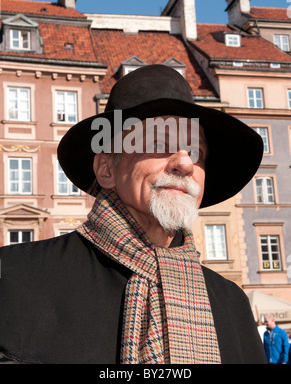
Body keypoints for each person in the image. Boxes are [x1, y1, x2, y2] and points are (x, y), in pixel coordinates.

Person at [0, 64, 267, 364]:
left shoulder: (231, 303)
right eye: (158, 144)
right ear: (106, 168)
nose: (185, 164)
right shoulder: (13, 277)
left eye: (196, 153)